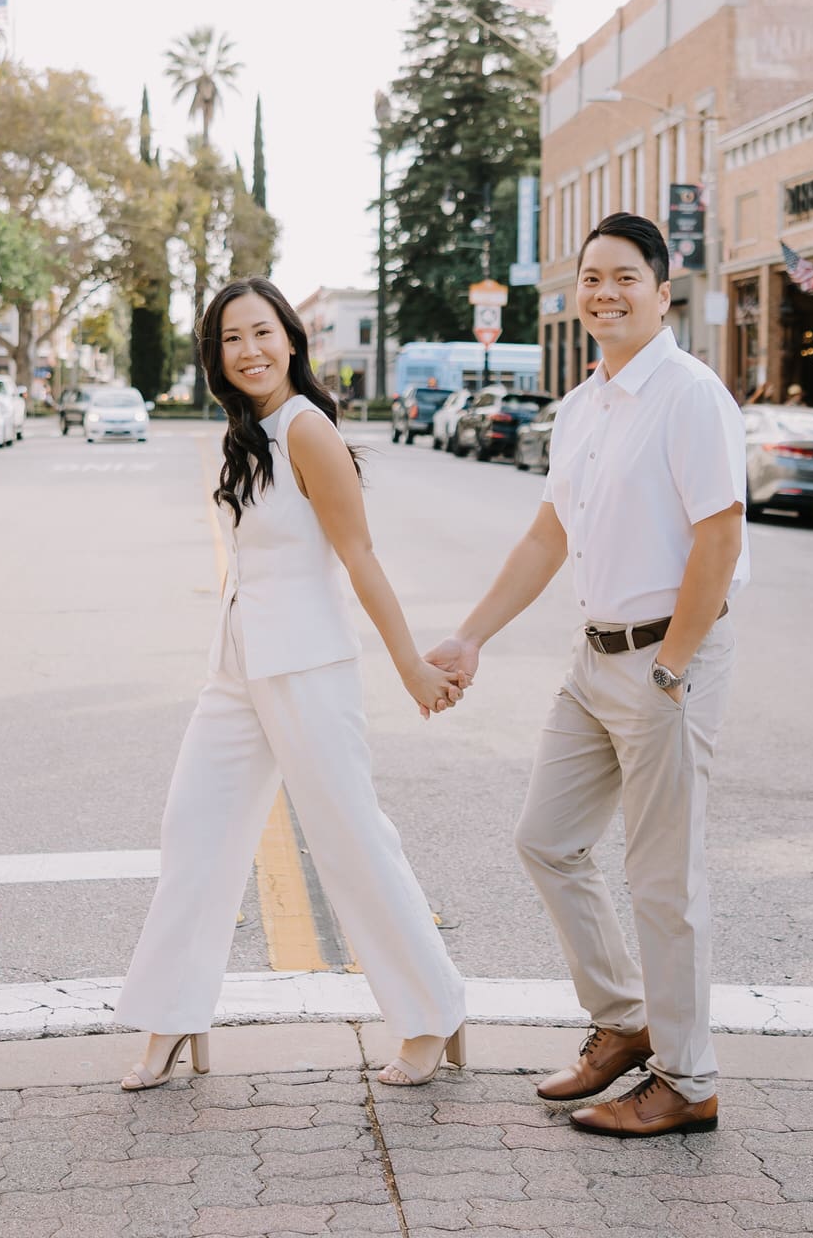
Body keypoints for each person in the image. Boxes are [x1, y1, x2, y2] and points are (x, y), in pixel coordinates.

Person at [427, 212, 746, 1138]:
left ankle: (689, 1080)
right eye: (591, 278)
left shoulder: (689, 396)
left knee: (662, 879)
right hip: (594, 653)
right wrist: (472, 636)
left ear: (662, 287)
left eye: (625, 278)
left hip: (666, 659)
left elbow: (720, 539)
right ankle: (623, 1022)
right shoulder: (583, 405)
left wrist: (674, 670)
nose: (604, 293)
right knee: (546, 838)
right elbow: (548, 535)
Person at [116, 277, 470, 1091]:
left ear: (291, 338)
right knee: (195, 833)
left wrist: (410, 664)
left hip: (309, 667)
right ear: (216, 356)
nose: (250, 350)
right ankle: (173, 1016)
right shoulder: (249, 432)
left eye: (263, 332)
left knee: (351, 841)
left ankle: (431, 1012)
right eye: (232, 339)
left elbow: (361, 558)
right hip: (237, 668)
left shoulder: (307, 431)